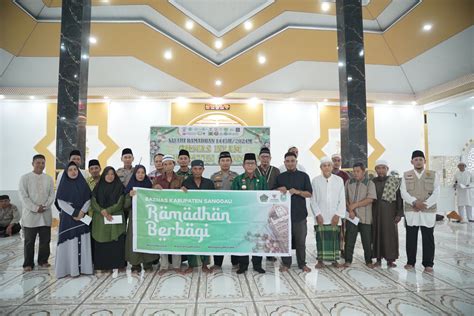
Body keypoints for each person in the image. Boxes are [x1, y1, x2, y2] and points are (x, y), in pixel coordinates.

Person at [400, 150, 439, 273]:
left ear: (424, 161)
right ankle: (410, 262)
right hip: (412, 210)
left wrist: (424, 205)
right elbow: (403, 192)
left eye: (420, 159)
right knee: (411, 237)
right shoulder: (406, 175)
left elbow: (437, 192)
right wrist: (414, 202)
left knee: (428, 237)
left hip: (427, 211)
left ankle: (428, 264)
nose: (418, 161)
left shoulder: (433, 174)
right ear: (412, 161)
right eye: (415, 159)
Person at [275, 152, 312, 272]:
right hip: (283, 216)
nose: (290, 163)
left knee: (301, 241)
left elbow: (309, 193)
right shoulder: (280, 177)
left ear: (296, 162)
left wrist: (298, 192)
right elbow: (272, 193)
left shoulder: (304, 176)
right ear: (284, 162)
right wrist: (278, 189)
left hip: (300, 215)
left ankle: (302, 264)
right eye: (287, 161)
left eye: (292, 161)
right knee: (285, 241)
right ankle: (286, 264)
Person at [55, 162, 93, 278]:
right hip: (68, 218)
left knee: (83, 240)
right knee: (70, 242)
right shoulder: (63, 185)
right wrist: (74, 213)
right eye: (70, 170)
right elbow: (61, 202)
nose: (73, 172)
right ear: (66, 172)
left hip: (82, 217)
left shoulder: (83, 183)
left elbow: (88, 199)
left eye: (75, 170)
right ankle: (70, 269)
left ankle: (85, 268)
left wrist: (81, 212)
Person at [231, 153, 268, 274]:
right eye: (248, 163)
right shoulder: (237, 180)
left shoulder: (261, 180)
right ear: (243, 165)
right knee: (244, 240)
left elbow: (266, 197)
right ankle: (243, 265)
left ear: (256, 165)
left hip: (258, 217)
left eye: (252, 163)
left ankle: (257, 264)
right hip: (243, 216)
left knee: (258, 240)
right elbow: (233, 198)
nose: (250, 165)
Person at [19, 154, 55, 272]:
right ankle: (28, 263)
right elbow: (23, 197)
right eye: (38, 162)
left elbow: (51, 195)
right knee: (29, 241)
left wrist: (44, 206)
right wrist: (35, 208)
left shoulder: (48, 178)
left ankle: (43, 260)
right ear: (33, 163)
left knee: (45, 240)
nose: (40, 165)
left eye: (42, 163)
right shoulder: (25, 178)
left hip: (45, 214)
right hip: (30, 216)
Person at [310, 157, 346, 269]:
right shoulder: (315, 180)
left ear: (332, 167)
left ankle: (335, 260)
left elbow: (342, 199)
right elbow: (313, 199)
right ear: (321, 167)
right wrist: (317, 214)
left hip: (334, 216)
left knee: (334, 239)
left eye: (328, 165)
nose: (326, 167)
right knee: (321, 239)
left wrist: (338, 215)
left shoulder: (338, 180)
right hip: (320, 216)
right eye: (324, 165)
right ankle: (320, 260)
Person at [181, 160, 215, 274]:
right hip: (191, 216)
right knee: (191, 240)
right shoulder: (186, 182)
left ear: (203, 170)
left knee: (205, 239)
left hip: (205, 216)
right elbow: (181, 199)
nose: (197, 171)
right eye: (195, 169)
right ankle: (191, 265)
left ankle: (205, 264)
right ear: (192, 170)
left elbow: (213, 199)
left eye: (200, 169)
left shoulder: (209, 183)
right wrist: (181, 191)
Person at [124, 165, 159, 273]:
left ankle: (148, 262)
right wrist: (129, 196)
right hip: (134, 219)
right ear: (135, 174)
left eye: (142, 172)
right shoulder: (130, 187)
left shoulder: (148, 186)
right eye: (138, 172)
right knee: (134, 239)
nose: (140, 175)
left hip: (147, 217)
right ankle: (135, 264)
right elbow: (125, 205)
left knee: (147, 238)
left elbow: (155, 201)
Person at [91, 166, 126, 272]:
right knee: (102, 241)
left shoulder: (119, 187)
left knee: (116, 242)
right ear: (103, 175)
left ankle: (118, 264)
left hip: (114, 217)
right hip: (100, 218)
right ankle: (102, 265)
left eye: (112, 174)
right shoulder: (98, 187)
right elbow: (93, 201)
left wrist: (108, 211)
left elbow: (120, 202)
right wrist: (102, 211)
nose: (110, 176)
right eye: (107, 174)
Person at [153, 154, 184, 275]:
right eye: (165, 164)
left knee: (176, 239)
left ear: (174, 165)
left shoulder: (180, 179)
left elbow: (187, 195)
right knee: (163, 239)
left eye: (170, 163)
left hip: (177, 214)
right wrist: (154, 188)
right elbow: (150, 196)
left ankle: (176, 265)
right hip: (163, 214)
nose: (167, 166)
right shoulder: (157, 180)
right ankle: (164, 266)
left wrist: (185, 190)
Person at [210, 151, 240, 270]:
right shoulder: (213, 177)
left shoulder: (237, 176)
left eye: (228, 160)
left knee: (234, 236)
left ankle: (235, 262)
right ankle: (217, 263)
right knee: (219, 237)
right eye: (223, 160)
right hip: (219, 212)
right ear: (219, 162)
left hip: (233, 211)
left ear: (231, 162)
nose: (225, 163)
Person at [344, 162, 377, 268]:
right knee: (349, 239)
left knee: (367, 241)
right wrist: (351, 210)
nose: (355, 173)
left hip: (365, 217)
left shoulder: (369, 183)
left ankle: (368, 261)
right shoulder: (349, 183)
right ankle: (348, 260)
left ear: (363, 172)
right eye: (354, 171)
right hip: (352, 217)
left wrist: (355, 205)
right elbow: (345, 198)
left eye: (358, 171)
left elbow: (370, 199)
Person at [372, 160, 403, 268]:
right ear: (376, 169)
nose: (381, 170)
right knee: (377, 235)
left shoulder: (394, 181)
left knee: (390, 236)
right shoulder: (372, 182)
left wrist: (399, 213)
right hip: (376, 213)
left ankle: (390, 259)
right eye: (379, 168)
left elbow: (399, 198)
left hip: (390, 213)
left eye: (383, 168)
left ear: (387, 169)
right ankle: (378, 259)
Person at [331, 153, 350, 256]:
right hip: (329, 205)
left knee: (342, 228)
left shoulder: (344, 175)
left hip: (341, 205)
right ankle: (331, 248)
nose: (336, 162)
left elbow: (347, 191)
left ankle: (342, 249)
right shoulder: (327, 173)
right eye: (334, 160)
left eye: (338, 160)